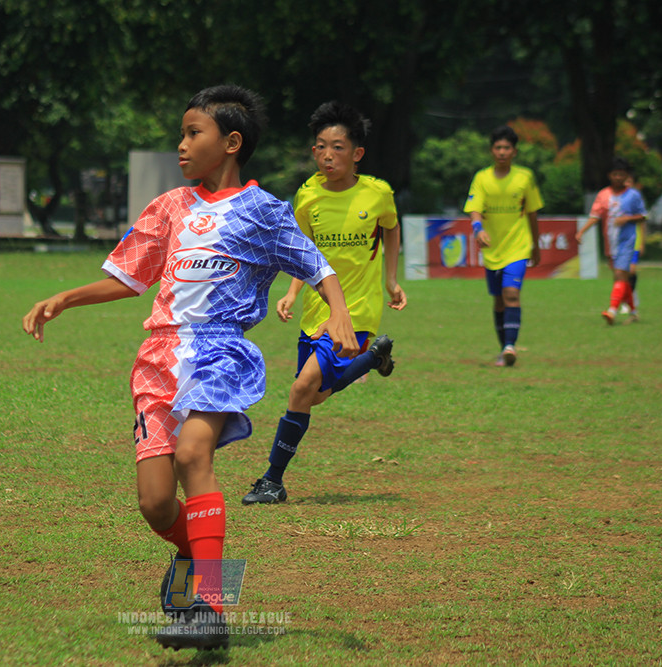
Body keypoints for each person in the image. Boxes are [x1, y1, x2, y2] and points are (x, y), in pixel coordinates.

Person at [22, 85, 359, 651]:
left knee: (192, 456)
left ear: (230, 143)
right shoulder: (170, 207)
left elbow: (316, 263)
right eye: (182, 133)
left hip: (219, 351)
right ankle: (194, 556)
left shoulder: (263, 211)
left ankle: (210, 607)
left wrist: (341, 315)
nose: (181, 144)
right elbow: (130, 276)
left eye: (192, 133)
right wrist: (66, 297)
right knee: (155, 503)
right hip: (158, 358)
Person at [241, 101, 406, 506]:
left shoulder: (378, 193)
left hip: (358, 311)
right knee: (313, 396)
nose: (327, 155)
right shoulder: (308, 195)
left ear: (357, 154)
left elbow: (391, 230)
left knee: (300, 389)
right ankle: (373, 358)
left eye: (337, 147)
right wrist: (293, 292)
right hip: (317, 311)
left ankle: (272, 481)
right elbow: (303, 251)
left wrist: (390, 279)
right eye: (320, 147)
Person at [464, 125, 543, 367]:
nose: (502, 152)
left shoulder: (525, 178)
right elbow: (474, 210)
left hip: (518, 247)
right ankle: (503, 348)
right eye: (498, 147)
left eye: (506, 147)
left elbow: (531, 213)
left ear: (514, 151)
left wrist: (536, 246)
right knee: (498, 300)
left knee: (511, 294)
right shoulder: (481, 178)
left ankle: (510, 346)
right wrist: (478, 229)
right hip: (492, 250)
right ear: (491, 151)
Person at [575, 157, 647, 325]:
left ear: (626, 175)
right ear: (609, 175)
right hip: (610, 242)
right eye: (615, 174)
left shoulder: (633, 195)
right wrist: (582, 231)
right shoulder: (604, 195)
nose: (618, 178)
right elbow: (595, 216)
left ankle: (612, 310)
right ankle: (634, 311)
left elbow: (643, 215)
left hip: (627, 241)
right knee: (621, 277)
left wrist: (627, 219)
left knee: (620, 274)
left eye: (621, 175)